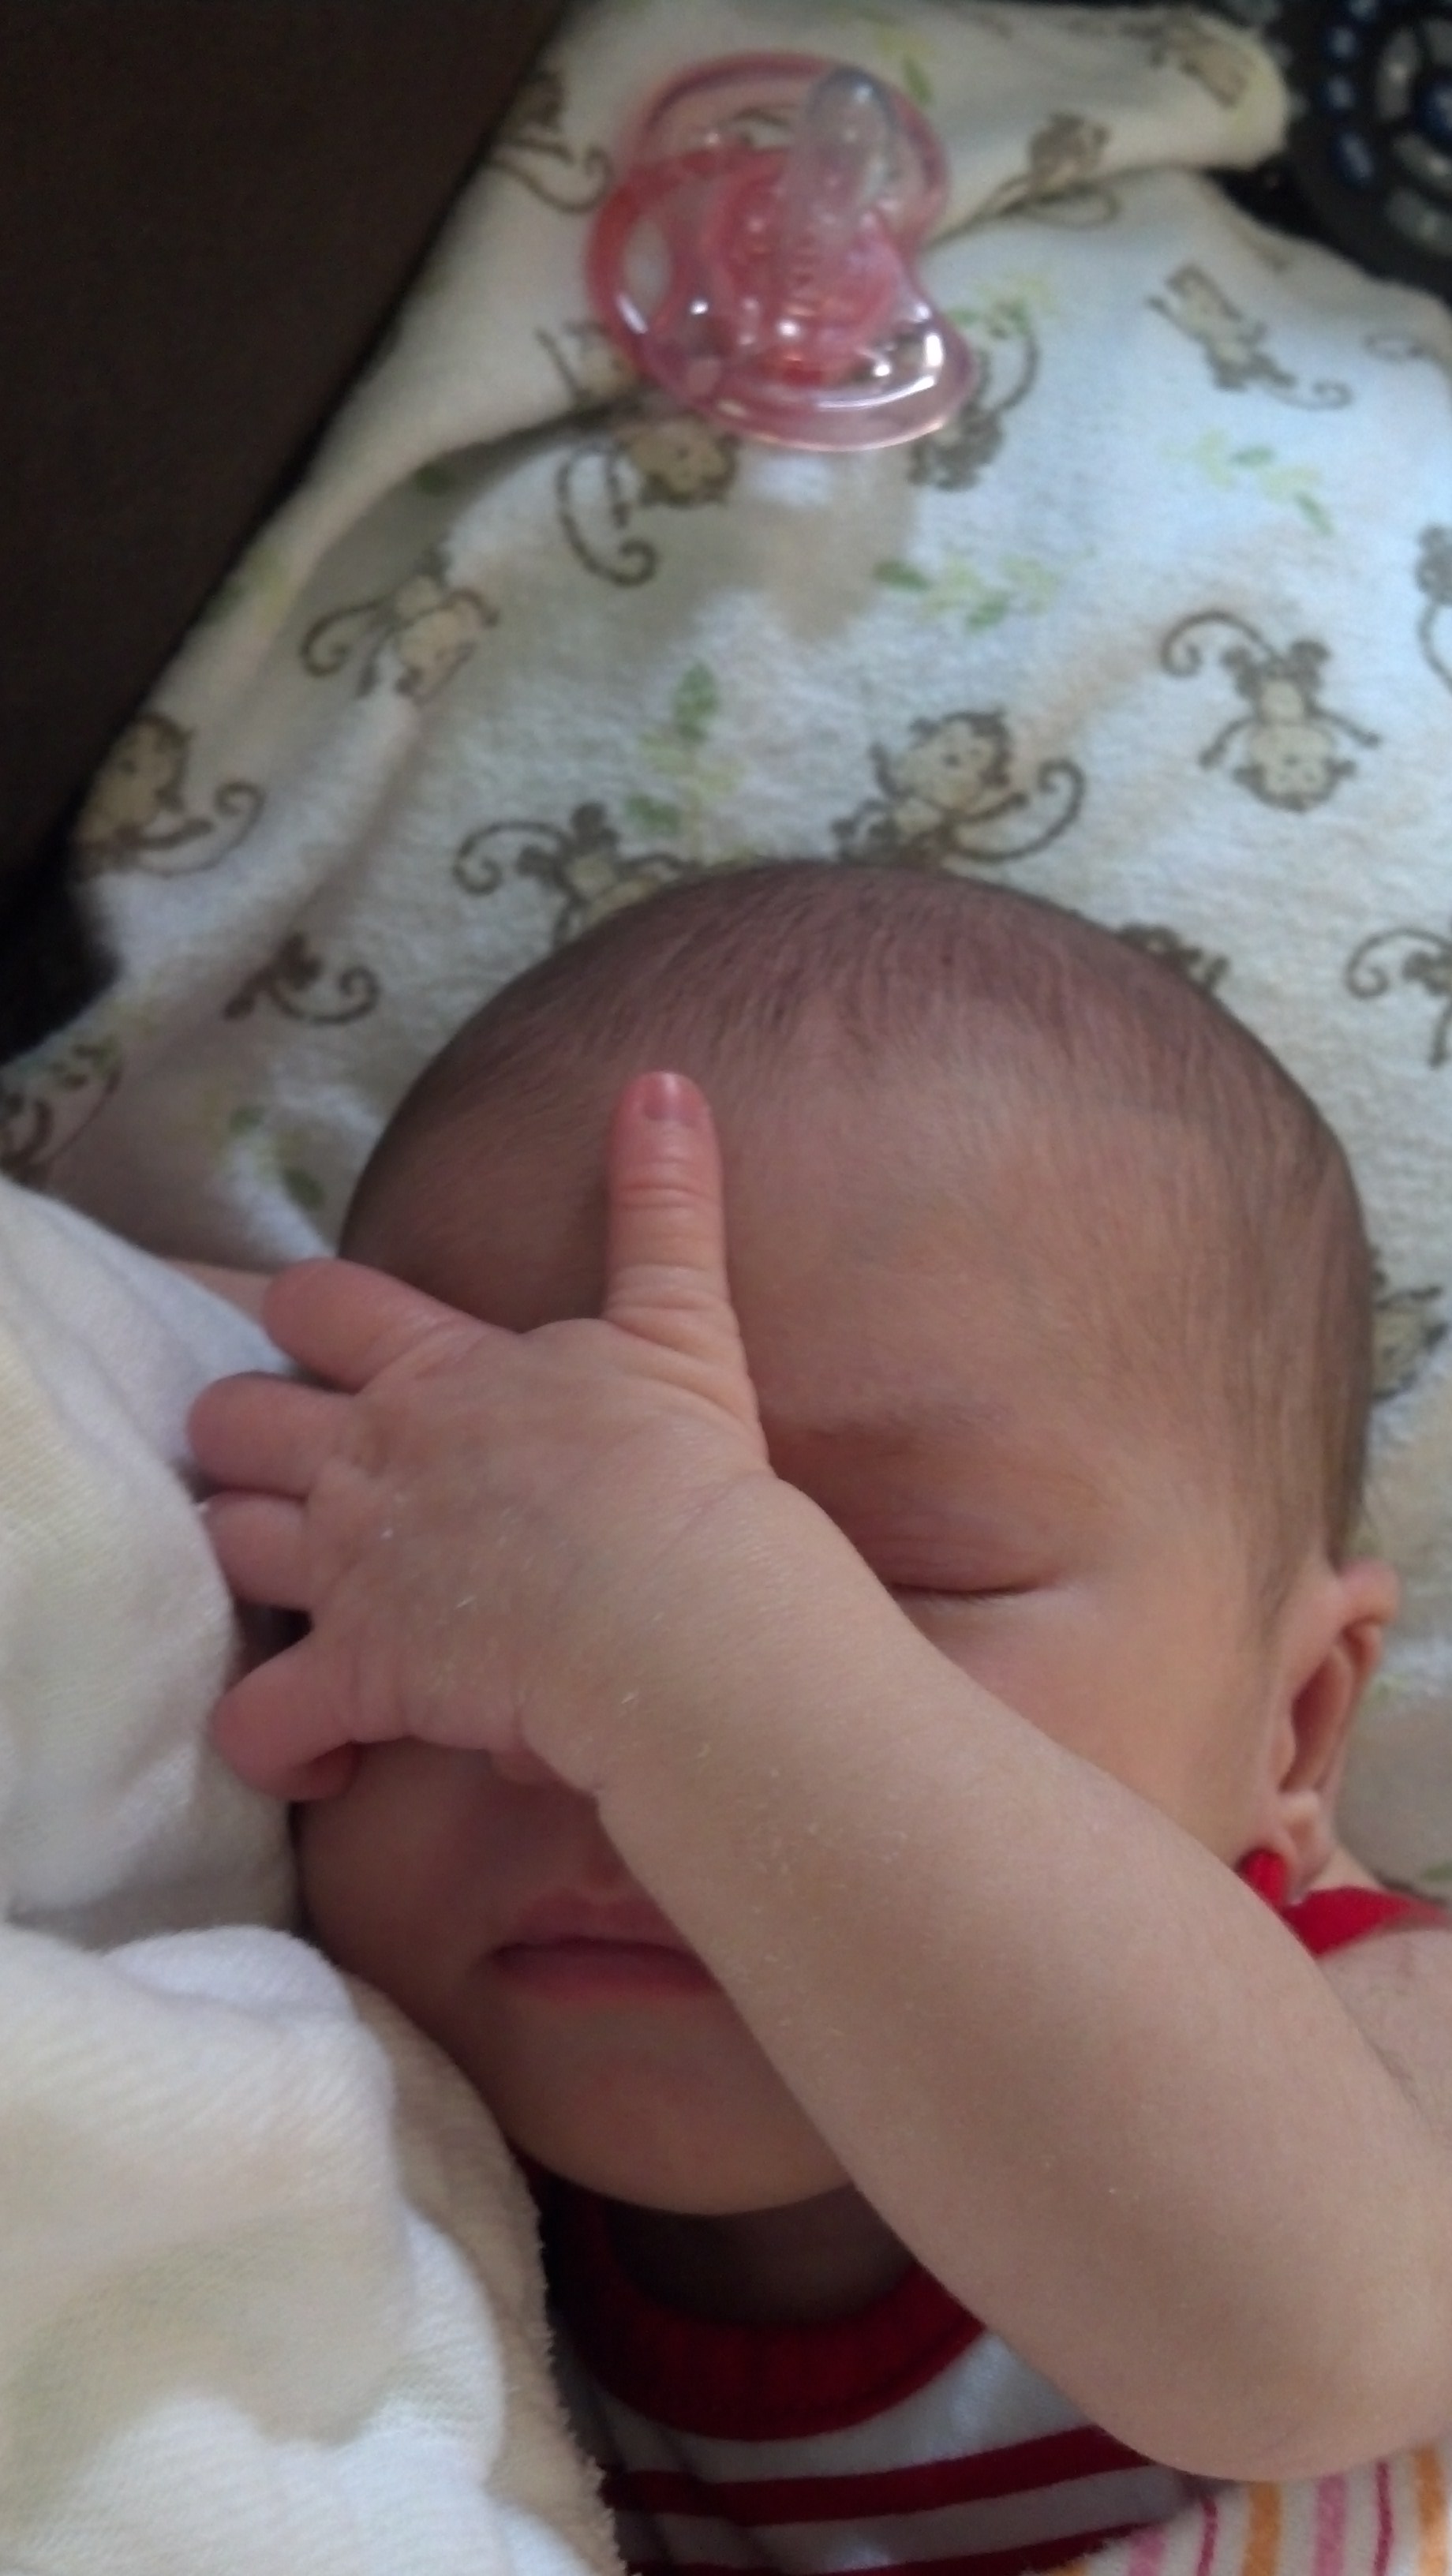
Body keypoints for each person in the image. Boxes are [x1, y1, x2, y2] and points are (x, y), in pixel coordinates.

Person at [190, 863, 1452, 2576]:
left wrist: (684, 1622)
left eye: (888, 1583)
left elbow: (1303, 2348)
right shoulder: (419, 2206)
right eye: (476, 1576)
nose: (594, 1739)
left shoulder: (1380, 2038)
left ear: (1289, 1729)